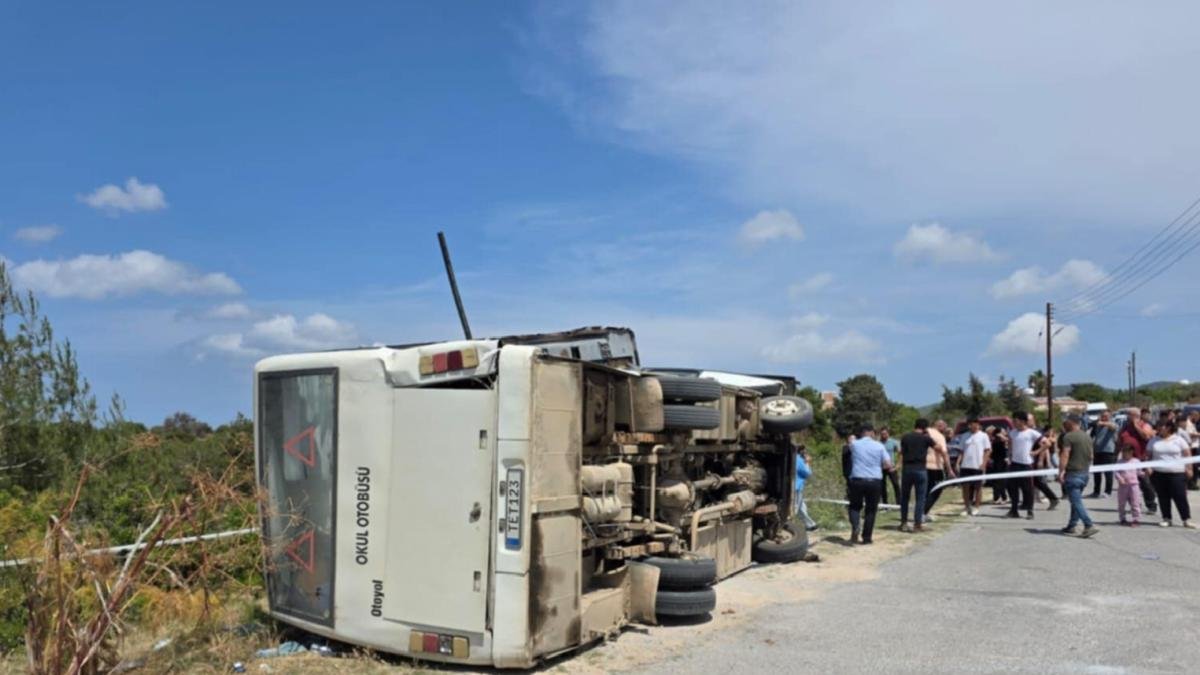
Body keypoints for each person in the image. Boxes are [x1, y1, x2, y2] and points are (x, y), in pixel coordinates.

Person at [846, 425, 893, 545]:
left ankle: (856, 525)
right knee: (871, 510)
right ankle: (867, 538)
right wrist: (877, 466)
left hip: (857, 479)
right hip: (874, 480)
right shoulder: (880, 446)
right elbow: (888, 464)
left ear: (862, 433)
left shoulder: (855, 444)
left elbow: (849, 446)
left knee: (854, 506)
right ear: (872, 433)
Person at [1148, 420, 1196, 528]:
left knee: (1180, 496)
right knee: (1163, 497)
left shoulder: (1179, 440)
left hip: (1177, 473)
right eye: (1158, 426)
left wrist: (1189, 469)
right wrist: (1148, 467)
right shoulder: (1153, 440)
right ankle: (1166, 518)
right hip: (1159, 473)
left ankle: (1186, 519)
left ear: (1169, 427)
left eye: (1162, 426)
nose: (1159, 428)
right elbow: (1148, 456)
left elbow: (1187, 455)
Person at [1057, 416, 1098, 537]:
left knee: (1076, 502)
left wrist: (1061, 472)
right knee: (1075, 501)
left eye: (1065, 423)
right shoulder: (1087, 437)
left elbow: (1065, 454)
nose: (1063, 426)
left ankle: (1088, 525)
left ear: (1071, 423)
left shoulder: (1068, 437)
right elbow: (1091, 456)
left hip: (1073, 473)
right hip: (1084, 473)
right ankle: (1071, 525)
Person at [898, 418, 938, 532]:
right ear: (925, 428)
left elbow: (901, 452)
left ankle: (904, 523)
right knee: (920, 498)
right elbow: (938, 448)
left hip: (907, 469)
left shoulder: (905, 437)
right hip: (920, 469)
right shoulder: (926, 438)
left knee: (905, 497)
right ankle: (917, 524)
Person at [1120, 409, 1158, 514]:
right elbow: (1120, 440)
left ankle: (1151, 505)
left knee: (1145, 484)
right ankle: (1135, 504)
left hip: (1141, 459)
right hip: (1127, 460)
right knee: (1128, 483)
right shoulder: (1125, 426)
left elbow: (1146, 436)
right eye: (1128, 415)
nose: (1128, 417)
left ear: (1137, 416)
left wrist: (1136, 426)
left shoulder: (1145, 425)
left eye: (1130, 415)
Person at [1006, 412, 1043, 519]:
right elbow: (1010, 445)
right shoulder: (1013, 432)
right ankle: (1014, 510)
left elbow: (1047, 443)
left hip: (1026, 464)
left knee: (1028, 489)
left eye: (1015, 420)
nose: (1014, 422)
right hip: (1014, 464)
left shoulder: (1032, 433)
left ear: (1022, 421)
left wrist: (1036, 452)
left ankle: (1030, 511)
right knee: (1013, 488)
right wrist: (1009, 456)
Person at [958, 418, 991, 516]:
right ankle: (966, 507)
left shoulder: (983, 435)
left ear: (977, 424)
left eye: (973, 424)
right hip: (965, 465)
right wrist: (958, 463)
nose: (971, 426)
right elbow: (961, 451)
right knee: (965, 487)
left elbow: (987, 450)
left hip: (977, 465)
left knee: (978, 487)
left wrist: (984, 463)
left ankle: (976, 507)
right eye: (969, 424)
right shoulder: (964, 436)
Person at [923, 420, 954, 522]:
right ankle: (923, 512)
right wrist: (949, 470)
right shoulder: (940, 436)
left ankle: (922, 512)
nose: (945, 429)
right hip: (935, 467)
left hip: (923, 466)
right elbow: (944, 454)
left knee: (925, 491)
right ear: (940, 426)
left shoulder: (925, 431)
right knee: (937, 490)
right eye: (945, 426)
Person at [1089, 411, 1118, 498]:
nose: (1104, 417)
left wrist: (1103, 423)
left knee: (1108, 472)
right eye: (1102, 416)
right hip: (1097, 451)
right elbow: (1092, 437)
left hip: (1108, 451)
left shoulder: (1112, 424)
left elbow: (1113, 427)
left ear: (1110, 416)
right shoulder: (1097, 426)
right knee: (1097, 473)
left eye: (1106, 416)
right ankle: (1096, 491)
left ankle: (1108, 491)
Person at [1115, 445, 1143, 526]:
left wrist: (1145, 473)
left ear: (1131, 452)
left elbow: (1139, 472)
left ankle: (1136, 519)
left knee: (1135, 502)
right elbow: (1116, 472)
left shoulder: (1136, 461)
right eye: (1123, 452)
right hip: (1123, 485)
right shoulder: (1119, 462)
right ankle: (1122, 518)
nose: (1124, 454)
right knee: (1121, 503)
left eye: (1126, 452)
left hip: (1134, 485)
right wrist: (1120, 478)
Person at [794, 446, 818, 531]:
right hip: (797, 487)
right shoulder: (799, 460)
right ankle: (790, 524)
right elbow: (807, 473)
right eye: (804, 452)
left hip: (796, 486)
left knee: (801, 507)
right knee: (795, 507)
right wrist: (807, 462)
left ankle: (811, 525)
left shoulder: (794, 459)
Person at [878, 427, 901, 504]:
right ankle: (885, 504)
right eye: (882, 434)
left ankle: (899, 503)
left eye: (885, 433)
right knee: (882, 486)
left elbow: (900, 453)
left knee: (896, 485)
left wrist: (897, 465)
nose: (883, 435)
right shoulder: (878, 443)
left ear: (888, 433)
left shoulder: (893, 442)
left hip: (891, 467)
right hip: (881, 468)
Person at [987, 426, 1009, 504]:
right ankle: (996, 497)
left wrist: (1002, 437)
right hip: (996, 462)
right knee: (996, 480)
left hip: (1003, 462)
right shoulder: (994, 441)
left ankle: (1004, 497)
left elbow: (1008, 442)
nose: (1004, 433)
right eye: (1002, 431)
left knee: (1002, 481)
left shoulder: (1004, 440)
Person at [1186, 410, 1200, 490]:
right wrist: (1198, 434)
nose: (1198, 418)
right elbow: (1190, 434)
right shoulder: (1188, 423)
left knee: (1195, 466)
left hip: (1195, 445)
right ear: (1193, 415)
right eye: (1197, 416)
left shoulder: (1192, 423)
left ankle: (1193, 483)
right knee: (1194, 466)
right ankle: (1192, 483)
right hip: (1192, 447)